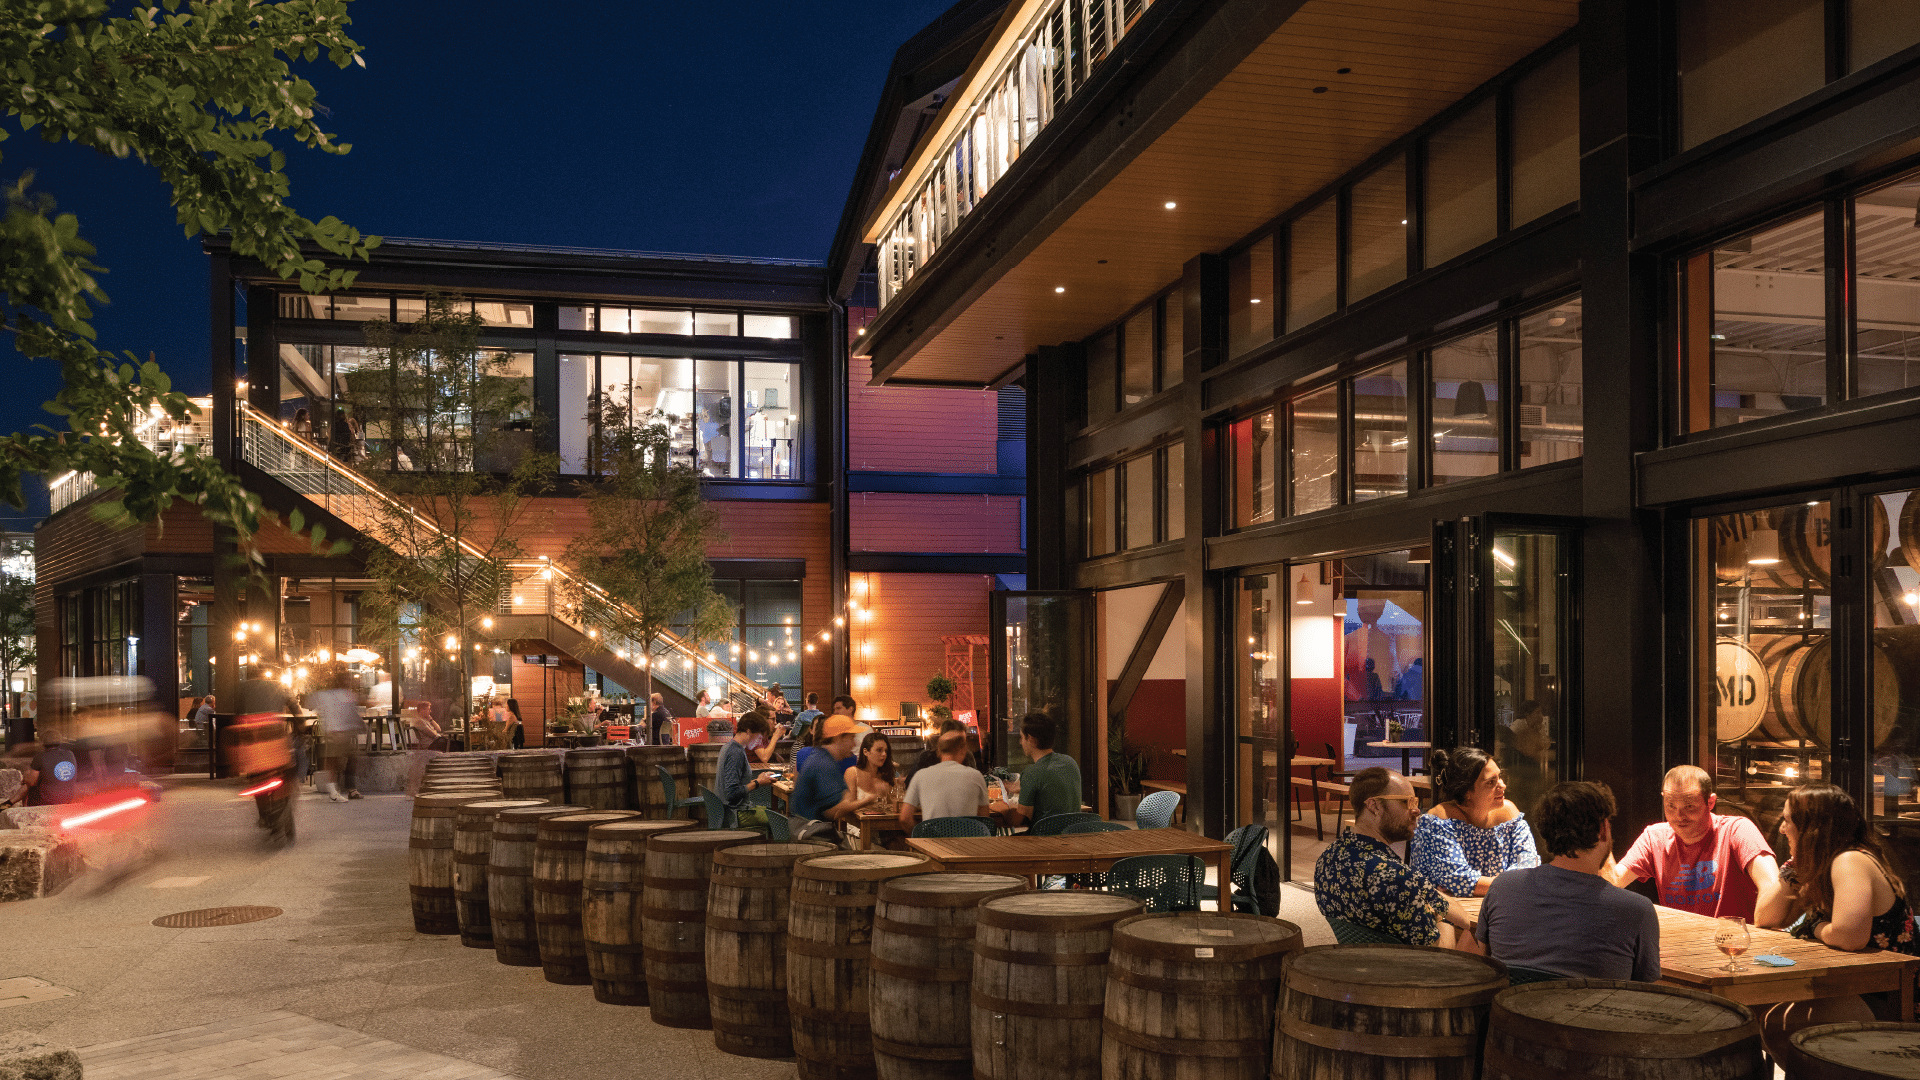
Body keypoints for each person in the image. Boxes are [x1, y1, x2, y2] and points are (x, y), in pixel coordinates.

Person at [1756, 784, 1918, 1033]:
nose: (1781, 829)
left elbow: (1849, 937)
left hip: (1889, 998)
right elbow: (1765, 919)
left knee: (1780, 1024)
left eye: (1788, 820)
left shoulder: (1850, 861)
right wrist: (1794, 868)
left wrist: (1815, 927)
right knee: (1769, 1017)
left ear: (1811, 827)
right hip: (1851, 986)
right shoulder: (1822, 863)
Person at [1476, 780, 1660, 981]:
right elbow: (1648, 994)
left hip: (1511, 1010)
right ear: (1603, 830)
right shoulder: (1636, 911)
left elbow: (1479, 966)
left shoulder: (1503, 888)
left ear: (1545, 831)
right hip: (1591, 1012)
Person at [1314, 767, 1481, 950]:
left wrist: (1423, 891)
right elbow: (1439, 955)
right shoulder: (1396, 877)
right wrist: (1440, 917)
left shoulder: (1327, 859)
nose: (1417, 810)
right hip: (1409, 974)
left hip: (1361, 968)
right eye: (1406, 802)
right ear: (1374, 806)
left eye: (1415, 802)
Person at [1609, 765, 1778, 919]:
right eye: (1670, 806)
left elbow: (1772, 886)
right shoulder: (1654, 837)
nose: (1679, 816)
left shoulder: (1737, 829)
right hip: (1682, 945)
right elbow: (1613, 881)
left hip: (1730, 944)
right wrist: (1601, 834)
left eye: (1689, 806)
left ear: (1710, 802)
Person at [1410, 746, 1540, 896]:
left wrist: (1480, 886)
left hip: (1498, 906)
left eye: (1500, 777)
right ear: (1467, 792)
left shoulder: (1509, 814)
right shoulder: (1437, 822)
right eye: (1491, 782)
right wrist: (1512, 883)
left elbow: (1529, 866)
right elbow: (1460, 879)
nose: (1502, 785)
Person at [988, 713, 1080, 827]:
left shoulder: (1032, 772)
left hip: (1045, 839)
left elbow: (1019, 820)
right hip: (1072, 835)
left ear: (1030, 739)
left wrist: (1003, 808)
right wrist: (1023, 788)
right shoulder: (1070, 762)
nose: (1020, 742)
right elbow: (1051, 790)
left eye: (1021, 737)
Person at [790, 715, 878, 834]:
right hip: (810, 837)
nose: (854, 743)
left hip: (802, 830)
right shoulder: (824, 764)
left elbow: (843, 799)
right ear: (839, 738)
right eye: (852, 738)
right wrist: (868, 799)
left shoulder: (821, 756)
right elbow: (833, 812)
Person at [900, 730, 992, 829]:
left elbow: (904, 818)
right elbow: (984, 818)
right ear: (963, 750)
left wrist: (919, 837)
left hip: (932, 843)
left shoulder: (920, 776)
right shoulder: (976, 776)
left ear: (938, 751)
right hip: (967, 843)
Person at [308, 665, 362, 801]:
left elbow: (309, 703)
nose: (348, 682)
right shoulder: (336, 695)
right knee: (334, 761)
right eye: (346, 680)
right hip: (335, 733)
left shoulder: (341, 695)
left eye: (349, 680)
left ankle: (341, 789)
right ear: (340, 682)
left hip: (340, 733)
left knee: (345, 759)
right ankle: (336, 791)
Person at [717, 710, 777, 830]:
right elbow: (731, 793)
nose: (759, 742)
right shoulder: (736, 752)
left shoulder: (729, 746)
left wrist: (759, 779)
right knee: (780, 821)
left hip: (730, 811)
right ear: (749, 732)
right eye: (760, 737)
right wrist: (757, 783)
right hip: (736, 815)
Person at [24, 726, 80, 806]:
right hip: (68, 798)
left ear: (43, 742)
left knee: (27, 785)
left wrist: (26, 777)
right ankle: (10, 802)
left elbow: (32, 782)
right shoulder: (70, 754)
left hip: (47, 801)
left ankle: (23, 811)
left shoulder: (40, 757)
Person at [844, 733, 897, 811]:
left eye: (886, 751)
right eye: (879, 750)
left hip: (880, 822)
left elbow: (892, 808)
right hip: (856, 822)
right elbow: (846, 808)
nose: (884, 754)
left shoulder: (886, 775)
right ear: (866, 752)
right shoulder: (853, 772)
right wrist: (869, 799)